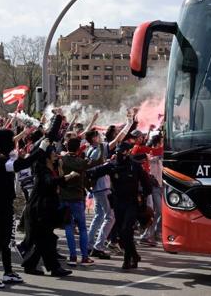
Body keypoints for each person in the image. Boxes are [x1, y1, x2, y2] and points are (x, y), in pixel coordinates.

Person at [0, 128, 43, 288]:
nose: (13, 142)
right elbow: (23, 164)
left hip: (5, 202)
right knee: (1, 239)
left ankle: (8, 272)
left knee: (7, 239)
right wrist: (41, 148)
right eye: (10, 140)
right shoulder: (0, 160)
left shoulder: (4, 157)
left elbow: (18, 159)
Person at [87, 142, 151, 270]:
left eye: (121, 151)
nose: (118, 154)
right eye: (117, 152)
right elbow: (93, 172)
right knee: (122, 233)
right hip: (117, 203)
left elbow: (147, 185)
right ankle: (134, 254)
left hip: (132, 203)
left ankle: (128, 259)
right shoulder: (112, 165)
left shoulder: (135, 166)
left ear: (128, 152)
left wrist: (142, 198)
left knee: (127, 230)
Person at [22, 139, 78, 277]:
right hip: (39, 209)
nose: (55, 154)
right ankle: (53, 267)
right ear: (46, 155)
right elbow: (50, 183)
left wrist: (60, 170)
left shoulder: (51, 168)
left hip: (47, 208)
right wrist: (67, 176)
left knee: (46, 240)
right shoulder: (42, 169)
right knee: (46, 239)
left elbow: (59, 186)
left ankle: (35, 265)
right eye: (53, 152)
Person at [86, 113, 133, 259]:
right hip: (102, 186)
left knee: (99, 216)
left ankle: (88, 244)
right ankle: (98, 246)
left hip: (96, 187)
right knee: (110, 216)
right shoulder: (99, 148)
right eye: (96, 135)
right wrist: (129, 122)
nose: (99, 136)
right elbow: (118, 139)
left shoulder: (90, 150)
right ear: (93, 139)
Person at [60, 137, 95, 267]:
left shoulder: (61, 160)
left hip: (64, 197)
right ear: (78, 147)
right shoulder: (81, 162)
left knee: (68, 226)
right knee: (82, 228)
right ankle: (85, 257)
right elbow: (96, 161)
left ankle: (73, 256)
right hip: (77, 197)